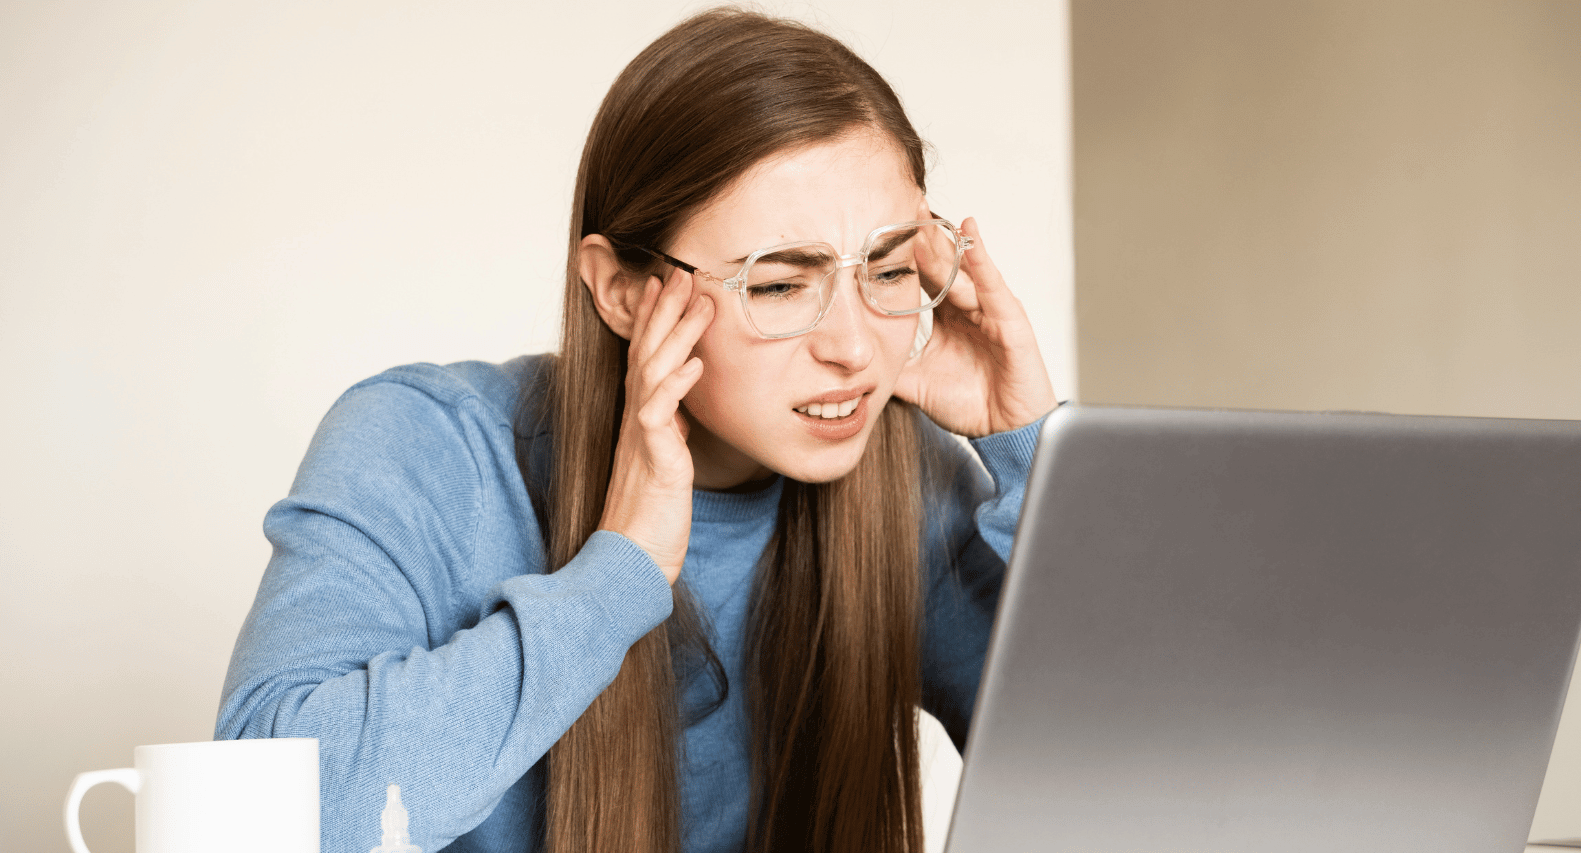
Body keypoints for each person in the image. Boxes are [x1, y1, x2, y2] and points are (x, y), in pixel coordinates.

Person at [216, 8, 1058, 853]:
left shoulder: (903, 474)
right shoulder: (423, 446)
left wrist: (1033, 456)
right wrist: (618, 573)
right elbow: (259, 818)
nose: (853, 347)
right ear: (620, 288)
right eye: (777, 285)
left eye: (890, 269)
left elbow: (1148, 770)